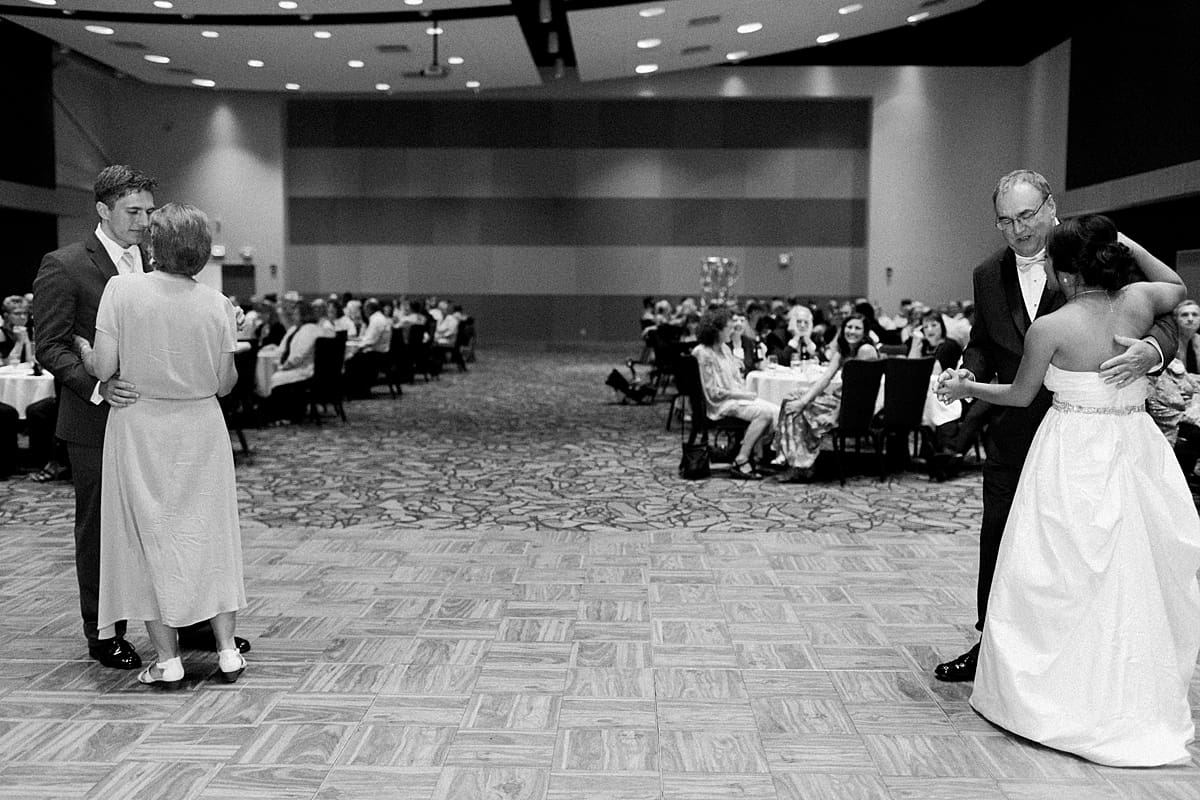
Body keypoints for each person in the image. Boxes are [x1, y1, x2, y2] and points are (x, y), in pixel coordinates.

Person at [940, 213, 1200, 766]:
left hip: (1072, 454)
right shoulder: (1136, 301)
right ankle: (1127, 690)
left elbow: (1018, 393)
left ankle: (1055, 695)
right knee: (1133, 569)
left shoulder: (1051, 328)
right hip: (1134, 450)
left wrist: (965, 385)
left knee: (1060, 572)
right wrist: (1127, 241)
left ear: (1062, 274)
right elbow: (1179, 288)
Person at [33, 165, 248, 670]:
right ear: (103, 210)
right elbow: (52, 345)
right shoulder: (65, 265)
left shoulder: (158, 265)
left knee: (179, 523)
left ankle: (187, 618)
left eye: (150, 211)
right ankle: (104, 631)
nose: (144, 221)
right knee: (104, 529)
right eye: (134, 211)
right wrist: (98, 386)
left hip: (165, 422)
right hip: (98, 419)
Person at [774, 317, 880, 483]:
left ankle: (800, 465)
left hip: (855, 407)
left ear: (865, 332)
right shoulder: (843, 351)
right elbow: (824, 380)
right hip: (840, 400)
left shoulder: (866, 351)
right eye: (849, 327)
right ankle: (798, 462)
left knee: (799, 406)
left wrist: (834, 416)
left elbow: (857, 391)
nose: (852, 331)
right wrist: (803, 401)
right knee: (793, 399)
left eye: (857, 328)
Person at [692, 307, 778, 480]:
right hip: (719, 404)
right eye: (729, 328)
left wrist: (744, 393)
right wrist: (743, 396)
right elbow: (713, 392)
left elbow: (735, 381)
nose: (732, 331)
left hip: (733, 398)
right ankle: (742, 458)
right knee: (764, 413)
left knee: (776, 410)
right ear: (717, 330)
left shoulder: (724, 349)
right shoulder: (702, 353)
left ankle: (756, 456)